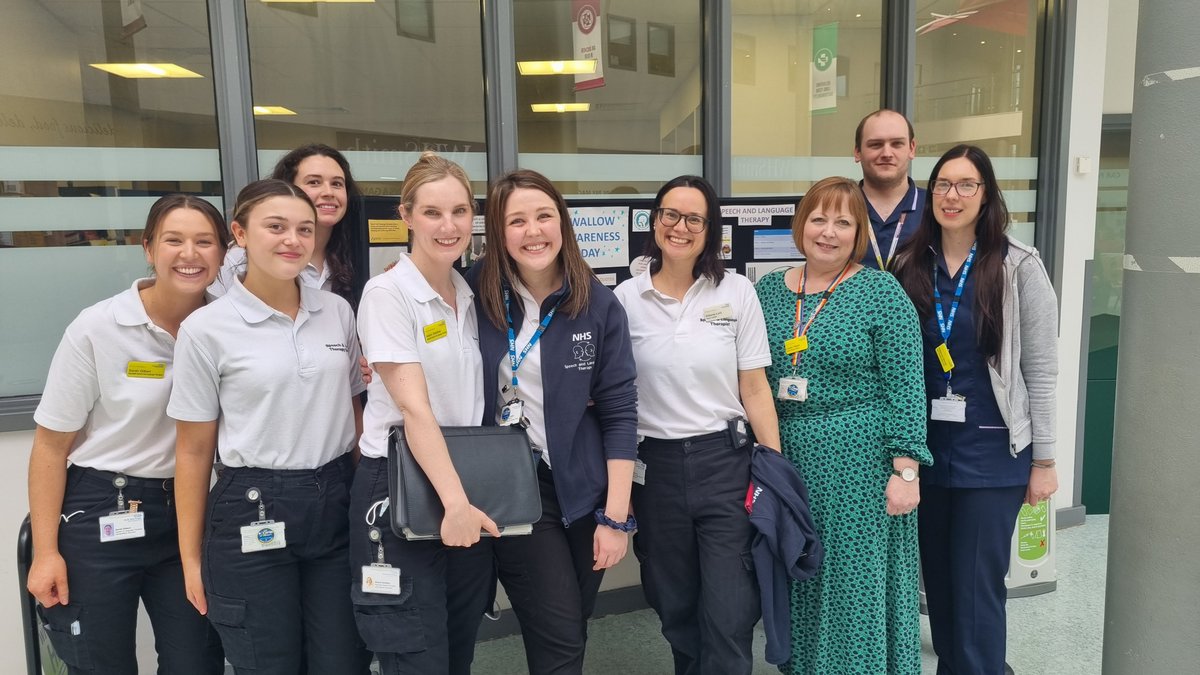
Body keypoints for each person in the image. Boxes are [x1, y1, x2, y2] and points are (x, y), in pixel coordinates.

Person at [169, 179, 370, 675]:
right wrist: (190, 559)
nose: (292, 240)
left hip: (336, 498)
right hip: (250, 505)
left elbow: (355, 409)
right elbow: (193, 453)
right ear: (239, 233)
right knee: (268, 662)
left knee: (343, 659)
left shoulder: (337, 312)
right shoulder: (207, 328)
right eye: (275, 227)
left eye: (304, 229)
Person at [27, 195, 227, 674]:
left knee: (196, 661)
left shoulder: (228, 326)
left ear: (224, 252)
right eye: (173, 240)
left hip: (191, 513)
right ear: (147, 248)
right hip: (101, 508)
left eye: (204, 242)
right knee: (99, 663)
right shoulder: (99, 327)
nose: (189, 254)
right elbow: (51, 447)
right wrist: (46, 551)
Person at [892, 144, 1059, 674]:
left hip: (993, 454)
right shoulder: (909, 265)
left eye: (967, 185)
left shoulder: (1018, 267)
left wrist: (1046, 460)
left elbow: (1042, 369)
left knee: (976, 588)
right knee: (939, 588)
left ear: (986, 194)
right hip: (927, 454)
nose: (952, 195)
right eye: (942, 184)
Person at [755, 176, 931, 674]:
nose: (828, 232)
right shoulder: (767, 292)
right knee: (801, 579)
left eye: (843, 222)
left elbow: (906, 386)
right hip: (789, 462)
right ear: (800, 225)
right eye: (818, 219)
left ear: (857, 234)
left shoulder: (880, 291)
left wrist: (907, 471)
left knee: (854, 587)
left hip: (861, 468)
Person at [470, 169, 638, 674]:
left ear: (562, 223)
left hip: (584, 490)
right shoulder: (471, 291)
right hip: (515, 488)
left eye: (543, 216)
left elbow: (620, 411)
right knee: (560, 636)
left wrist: (614, 518)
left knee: (571, 623)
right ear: (498, 234)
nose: (533, 231)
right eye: (516, 221)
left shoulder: (597, 302)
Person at [613, 175, 780, 675]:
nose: (679, 227)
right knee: (674, 601)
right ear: (654, 221)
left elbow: (754, 387)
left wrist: (773, 469)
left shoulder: (736, 291)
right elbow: (612, 395)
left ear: (711, 230)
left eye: (694, 218)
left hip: (725, 462)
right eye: (670, 214)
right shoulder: (625, 298)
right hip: (656, 468)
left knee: (730, 607)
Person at [349, 151, 497, 674]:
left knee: (457, 646)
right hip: (401, 481)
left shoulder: (466, 289)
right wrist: (455, 504)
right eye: (433, 212)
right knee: (414, 650)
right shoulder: (388, 293)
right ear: (406, 215)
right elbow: (413, 408)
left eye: (460, 211)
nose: (449, 225)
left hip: (460, 476)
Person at [214, 143, 363, 307]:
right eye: (314, 182)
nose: (328, 192)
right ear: (288, 188)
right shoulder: (240, 257)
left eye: (337, 184)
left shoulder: (358, 251)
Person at [853, 109, 925, 271]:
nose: (886, 153)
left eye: (897, 144)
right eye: (875, 145)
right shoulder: (840, 207)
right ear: (857, 152)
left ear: (912, 148)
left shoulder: (935, 208)